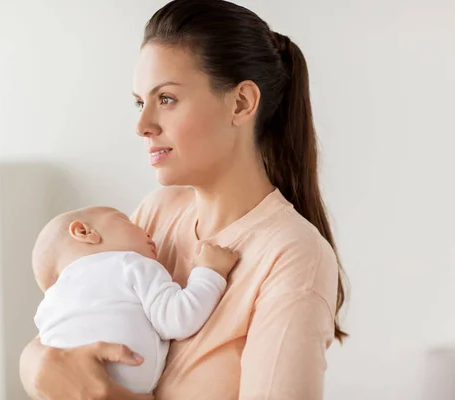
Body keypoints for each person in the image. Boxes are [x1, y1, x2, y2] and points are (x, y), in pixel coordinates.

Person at [19, 0, 347, 399]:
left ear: (242, 102)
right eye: (140, 102)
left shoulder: (292, 255)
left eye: (167, 99)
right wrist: (35, 365)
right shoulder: (157, 214)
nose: (142, 125)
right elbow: (62, 332)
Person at [31, 206, 239, 394]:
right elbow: (178, 319)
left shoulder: (46, 308)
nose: (147, 232)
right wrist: (210, 271)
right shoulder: (129, 264)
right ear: (85, 232)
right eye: (127, 221)